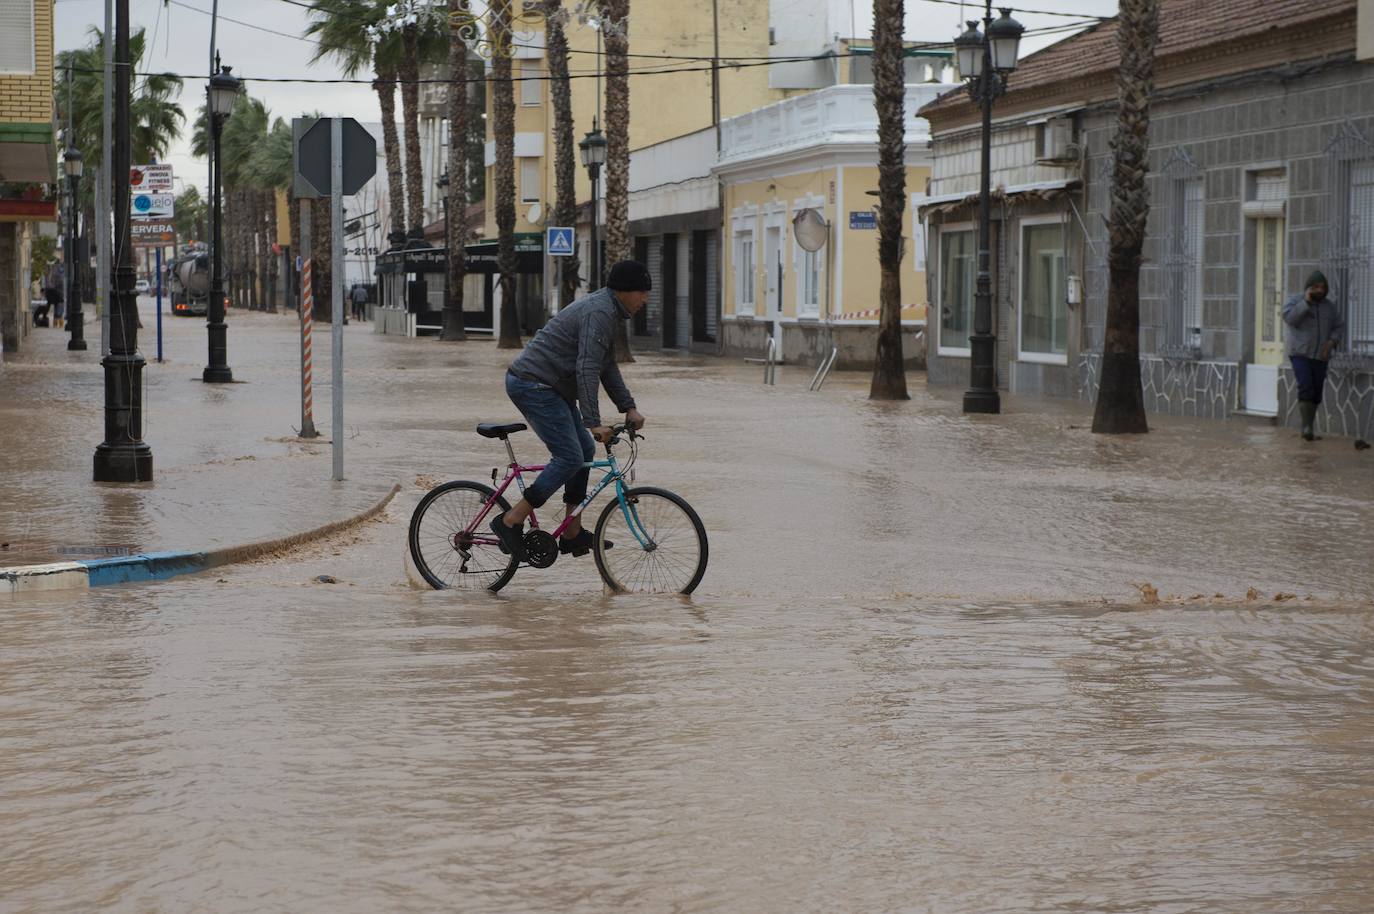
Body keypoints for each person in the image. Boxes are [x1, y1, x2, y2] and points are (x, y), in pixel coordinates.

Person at [490, 259, 650, 560]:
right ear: (624, 291)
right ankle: (511, 520)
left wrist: (628, 406)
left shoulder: (609, 312)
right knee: (569, 457)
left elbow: (606, 365)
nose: (645, 299)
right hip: (533, 383)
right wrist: (593, 422)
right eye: (642, 292)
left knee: (585, 453)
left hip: (551, 386)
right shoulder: (600, 312)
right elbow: (587, 368)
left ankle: (572, 532)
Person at [1282, 270, 1346, 442]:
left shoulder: (1329, 307)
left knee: (1316, 392)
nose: (1319, 290)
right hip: (1300, 353)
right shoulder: (1295, 301)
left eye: (1322, 287)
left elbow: (1339, 326)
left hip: (1321, 355)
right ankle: (1307, 427)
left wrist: (1332, 342)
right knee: (1306, 386)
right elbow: (1289, 319)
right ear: (1309, 288)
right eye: (1316, 287)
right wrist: (1306, 302)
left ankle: (1308, 427)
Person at [42, 262, 64, 329]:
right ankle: (58, 325)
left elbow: (49, 284)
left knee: (58, 313)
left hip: (58, 298)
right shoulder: (55, 276)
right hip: (58, 298)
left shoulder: (54, 276)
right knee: (58, 313)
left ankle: (57, 325)